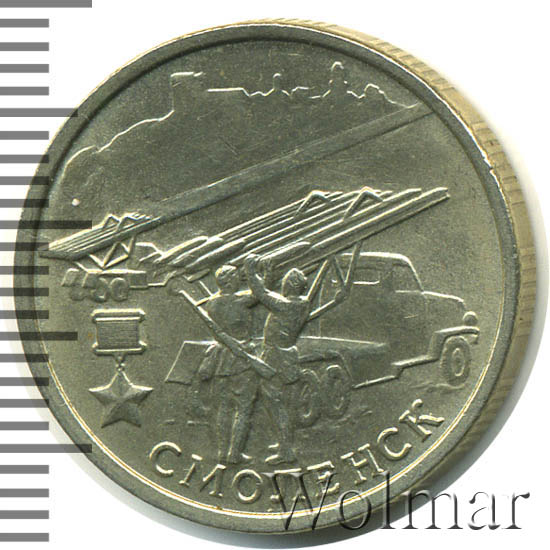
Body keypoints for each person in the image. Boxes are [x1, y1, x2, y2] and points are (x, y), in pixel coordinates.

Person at [244, 254, 333, 464]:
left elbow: (261, 293)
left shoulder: (287, 306)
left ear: (291, 286)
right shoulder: (302, 303)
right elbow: (269, 295)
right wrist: (267, 274)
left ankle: (286, 450)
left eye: (284, 283)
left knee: (275, 403)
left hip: (276, 358)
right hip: (286, 356)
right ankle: (285, 444)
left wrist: (250, 270)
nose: (282, 286)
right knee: (280, 402)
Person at [197, 264, 258, 464]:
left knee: (224, 408)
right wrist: (259, 273)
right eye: (237, 276)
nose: (240, 279)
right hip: (241, 359)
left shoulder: (212, 303)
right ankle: (235, 454)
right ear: (230, 281)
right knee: (243, 409)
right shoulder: (240, 301)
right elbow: (258, 294)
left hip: (220, 358)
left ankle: (222, 452)